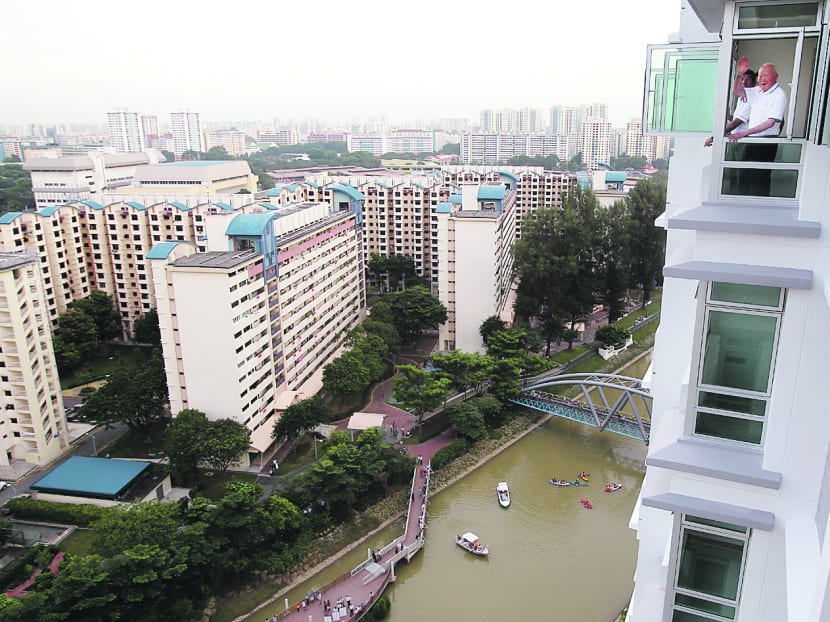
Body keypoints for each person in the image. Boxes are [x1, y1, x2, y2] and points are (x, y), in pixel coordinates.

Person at [729, 57, 788, 195]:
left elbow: (770, 122)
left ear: (776, 77)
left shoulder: (779, 95)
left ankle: (758, 212)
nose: (762, 79)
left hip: (765, 143)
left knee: (759, 181)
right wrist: (739, 74)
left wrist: (745, 132)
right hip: (753, 140)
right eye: (760, 76)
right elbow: (737, 92)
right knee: (746, 180)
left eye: (766, 75)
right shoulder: (758, 91)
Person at [704, 68, 757, 147]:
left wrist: (714, 137)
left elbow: (736, 123)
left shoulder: (752, 100)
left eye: (748, 80)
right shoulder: (741, 98)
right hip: (734, 138)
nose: (744, 82)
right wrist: (729, 116)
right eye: (742, 79)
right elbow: (738, 119)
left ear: (754, 83)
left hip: (743, 141)